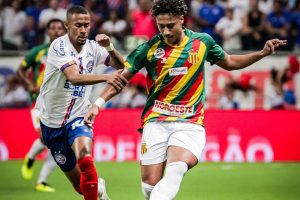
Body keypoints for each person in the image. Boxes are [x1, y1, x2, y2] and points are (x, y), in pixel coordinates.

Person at [84, 0, 286, 199]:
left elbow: (230, 61)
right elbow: (121, 79)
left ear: (182, 20)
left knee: (175, 170)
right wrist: (97, 104)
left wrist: (262, 53)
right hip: (156, 121)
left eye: (170, 25)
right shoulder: (150, 48)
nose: (165, 31)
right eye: (161, 26)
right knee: (149, 188)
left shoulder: (202, 42)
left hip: (189, 122)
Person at [35, 6, 127, 200]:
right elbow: (74, 77)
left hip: (79, 115)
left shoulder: (93, 47)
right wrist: (105, 78)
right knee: (80, 187)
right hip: (51, 123)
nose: (84, 29)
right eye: (78, 25)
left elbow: (121, 66)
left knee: (85, 156)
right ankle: (98, 189)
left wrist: (109, 47)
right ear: (67, 25)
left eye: (87, 25)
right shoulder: (59, 46)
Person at [19, 18, 66, 192]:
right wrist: (29, 84)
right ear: (48, 32)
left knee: (58, 142)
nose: (56, 31)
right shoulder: (38, 52)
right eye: (52, 28)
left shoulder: (69, 52)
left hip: (59, 103)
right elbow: (20, 70)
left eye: (59, 28)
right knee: (46, 137)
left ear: (65, 31)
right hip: (39, 102)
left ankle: (42, 181)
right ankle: (31, 157)